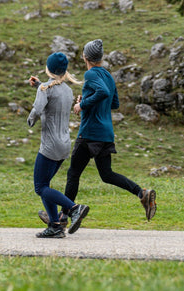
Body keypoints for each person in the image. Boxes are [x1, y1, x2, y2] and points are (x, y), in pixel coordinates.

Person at [63, 39, 157, 221]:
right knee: (106, 175)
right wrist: (89, 97)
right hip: (106, 134)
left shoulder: (91, 75)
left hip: (90, 133)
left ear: (86, 57)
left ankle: (63, 217)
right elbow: (114, 103)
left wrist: (81, 104)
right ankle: (141, 193)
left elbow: (104, 93)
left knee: (73, 174)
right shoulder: (108, 76)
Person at [27, 52, 90, 238]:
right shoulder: (67, 90)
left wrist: (30, 120)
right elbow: (51, 95)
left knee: (40, 187)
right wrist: (39, 85)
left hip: (49, 146)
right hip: (64, 145)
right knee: (46, 185)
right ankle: (55, 226)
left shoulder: (46, 89)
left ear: (48, 68)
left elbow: (38, 108)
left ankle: (74, 208)